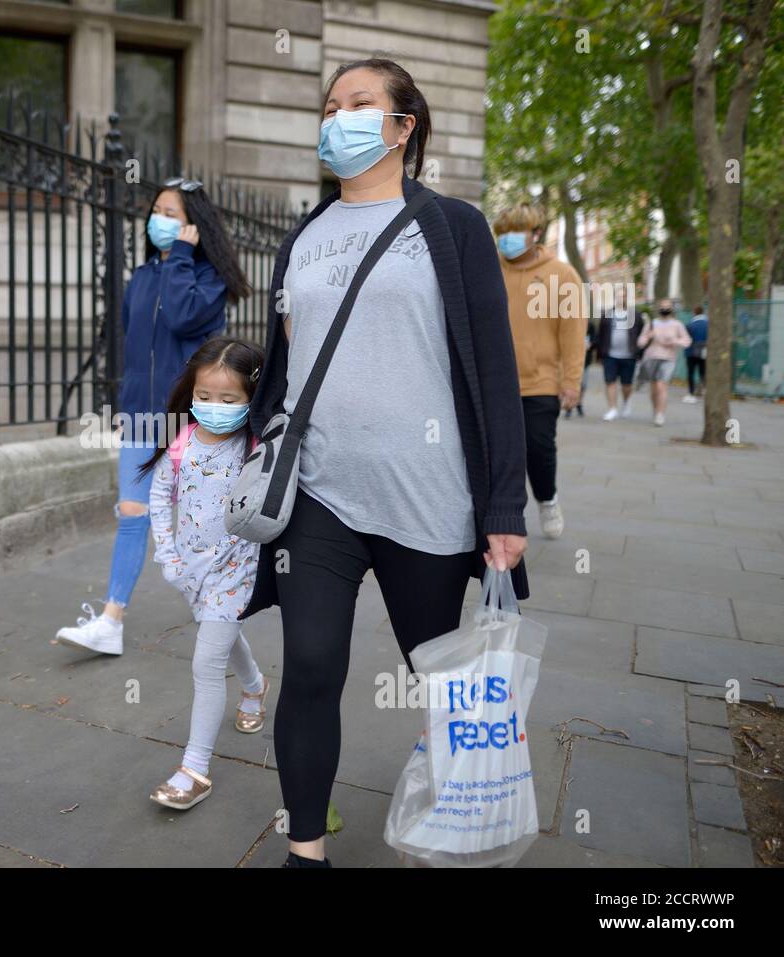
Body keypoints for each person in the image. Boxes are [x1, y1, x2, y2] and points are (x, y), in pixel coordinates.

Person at [238, 58, 530, 868]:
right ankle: (305, 848)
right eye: (330, 107)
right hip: (320, 497)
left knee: (442, 681)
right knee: (312, 667)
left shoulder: (453, 226)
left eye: (359, 105)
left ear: (404, 127)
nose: (338, 119)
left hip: (427, 497)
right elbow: (290, 361)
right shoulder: (304, 234)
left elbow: (495, 373)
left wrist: (505, 509)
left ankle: (453, 817)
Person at [54, 179, 250, 655]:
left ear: (194, 227)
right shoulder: (141, 277)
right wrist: (126, 405)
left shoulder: (209, 280)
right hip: (143, 418)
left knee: (200, 536)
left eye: (171, 213)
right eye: (156, 209)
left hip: (194, 421)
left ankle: (238, 657)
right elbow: (132, 347)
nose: (158, 219)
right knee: (132, 513)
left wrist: (181, 259)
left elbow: (183, 318)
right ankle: (111, 620)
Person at [143, 337, 269, 810]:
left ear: (250, 400)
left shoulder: (254, 446)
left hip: (237, 569)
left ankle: (193, 768)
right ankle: (256, 687)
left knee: (206, 662)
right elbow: (159, 499)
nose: (213, 407)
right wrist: (168, 555)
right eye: (204, 397)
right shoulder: (180, 445)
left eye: (228, 399)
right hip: (190, 571)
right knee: (223, 638)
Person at [493, 202, 587, 540]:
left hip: (541, 382)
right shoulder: (489, 268)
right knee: (499, 455)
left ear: (536, 234)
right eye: (502, 234)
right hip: (495, 382)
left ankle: (547, 500)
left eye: (515, 233)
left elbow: (573, 332)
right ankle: (505, 519)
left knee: (538, 449)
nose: (507, 240)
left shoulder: (563, 275)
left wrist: (572, 381)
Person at [636, 298, 692, 426]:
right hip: (651, 357)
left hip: (668, 359)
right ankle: (656, 411)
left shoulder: (677, 325)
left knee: (662, 385)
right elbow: (640, 342)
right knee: (654, 388)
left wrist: (674, 341)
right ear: (658, 309)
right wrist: (648, 336)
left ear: (672, 309)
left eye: (667, 307)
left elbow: (687, 341)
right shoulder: (652, 324)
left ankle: (661, 414)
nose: (665, 309)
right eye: (662, 307)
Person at [596, 303, 643, 420]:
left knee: (626, 384)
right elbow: (600, 334)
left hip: (629, 355)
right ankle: (612, 409)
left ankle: (626, 402)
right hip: (610, 355)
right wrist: (600, 354)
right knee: (610, 381)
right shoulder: (607, 315)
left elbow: (641, 334)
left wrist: (639, 353)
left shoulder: (636, 315)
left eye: (623, 296)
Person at [683, 304, 708, 403]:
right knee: (703, 372)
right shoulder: (709, 324)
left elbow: (686, 339)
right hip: (704, 351)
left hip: (691, 352)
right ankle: (705, 390)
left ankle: (691, 393)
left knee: (691, 373)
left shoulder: (690, 325)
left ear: (694, 312)